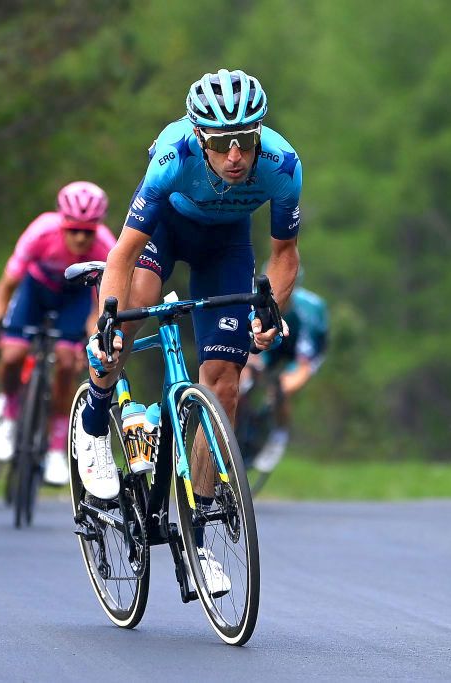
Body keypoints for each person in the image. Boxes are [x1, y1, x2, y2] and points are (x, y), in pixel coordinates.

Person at [75, 69, 303, 591]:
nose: (235, 157)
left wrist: (268, 312)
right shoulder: (172, 157)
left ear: (259, 133)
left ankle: (199, 529)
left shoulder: (282, 164)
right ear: (199, 135)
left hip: (226, 244)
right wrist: (110, 316)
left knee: (223, 379)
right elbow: (124, 253)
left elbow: (284, 256)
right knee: (136, 310)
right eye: (221, 144)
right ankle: (93, 423)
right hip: (164, 235)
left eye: (244, 141)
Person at [0, 182, 117, 486]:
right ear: (61, 222)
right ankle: (10, 409)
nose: (80, 237)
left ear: (98, 228)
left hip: (74, 299)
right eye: (73, 229)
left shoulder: (106, 246)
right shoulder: (41, 232)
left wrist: (92, 340)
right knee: (13, 354)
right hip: (36, 290)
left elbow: (101, 305)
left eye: (88, 231)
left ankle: (56, 447)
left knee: (67, 362)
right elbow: (6, 287)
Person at [240, 267, 329, 473]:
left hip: (302, 348)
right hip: (272, 344)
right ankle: (235, 427)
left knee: (283, 387)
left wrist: (283, 387)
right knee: (243, 373)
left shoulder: (309, 311)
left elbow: (304, 365)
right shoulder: (252, 301)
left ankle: (278, 435)